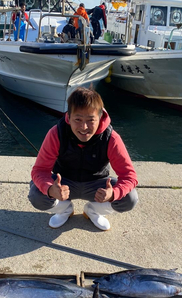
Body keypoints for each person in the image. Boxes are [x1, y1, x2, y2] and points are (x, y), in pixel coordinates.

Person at [28, 87, 138, 231]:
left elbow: (129, 176)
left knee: (129, 199)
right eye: (78, 119)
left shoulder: (111, 138)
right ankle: (64, 210)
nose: (84, 127)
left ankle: (94, 210)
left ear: (100, 118)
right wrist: (50, 189)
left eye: (90, 120)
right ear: (68, 117)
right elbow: (39, 170)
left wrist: (113, 194)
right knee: (37, 195)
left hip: (97, 184)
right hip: (64, 183)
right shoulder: (56, 133)